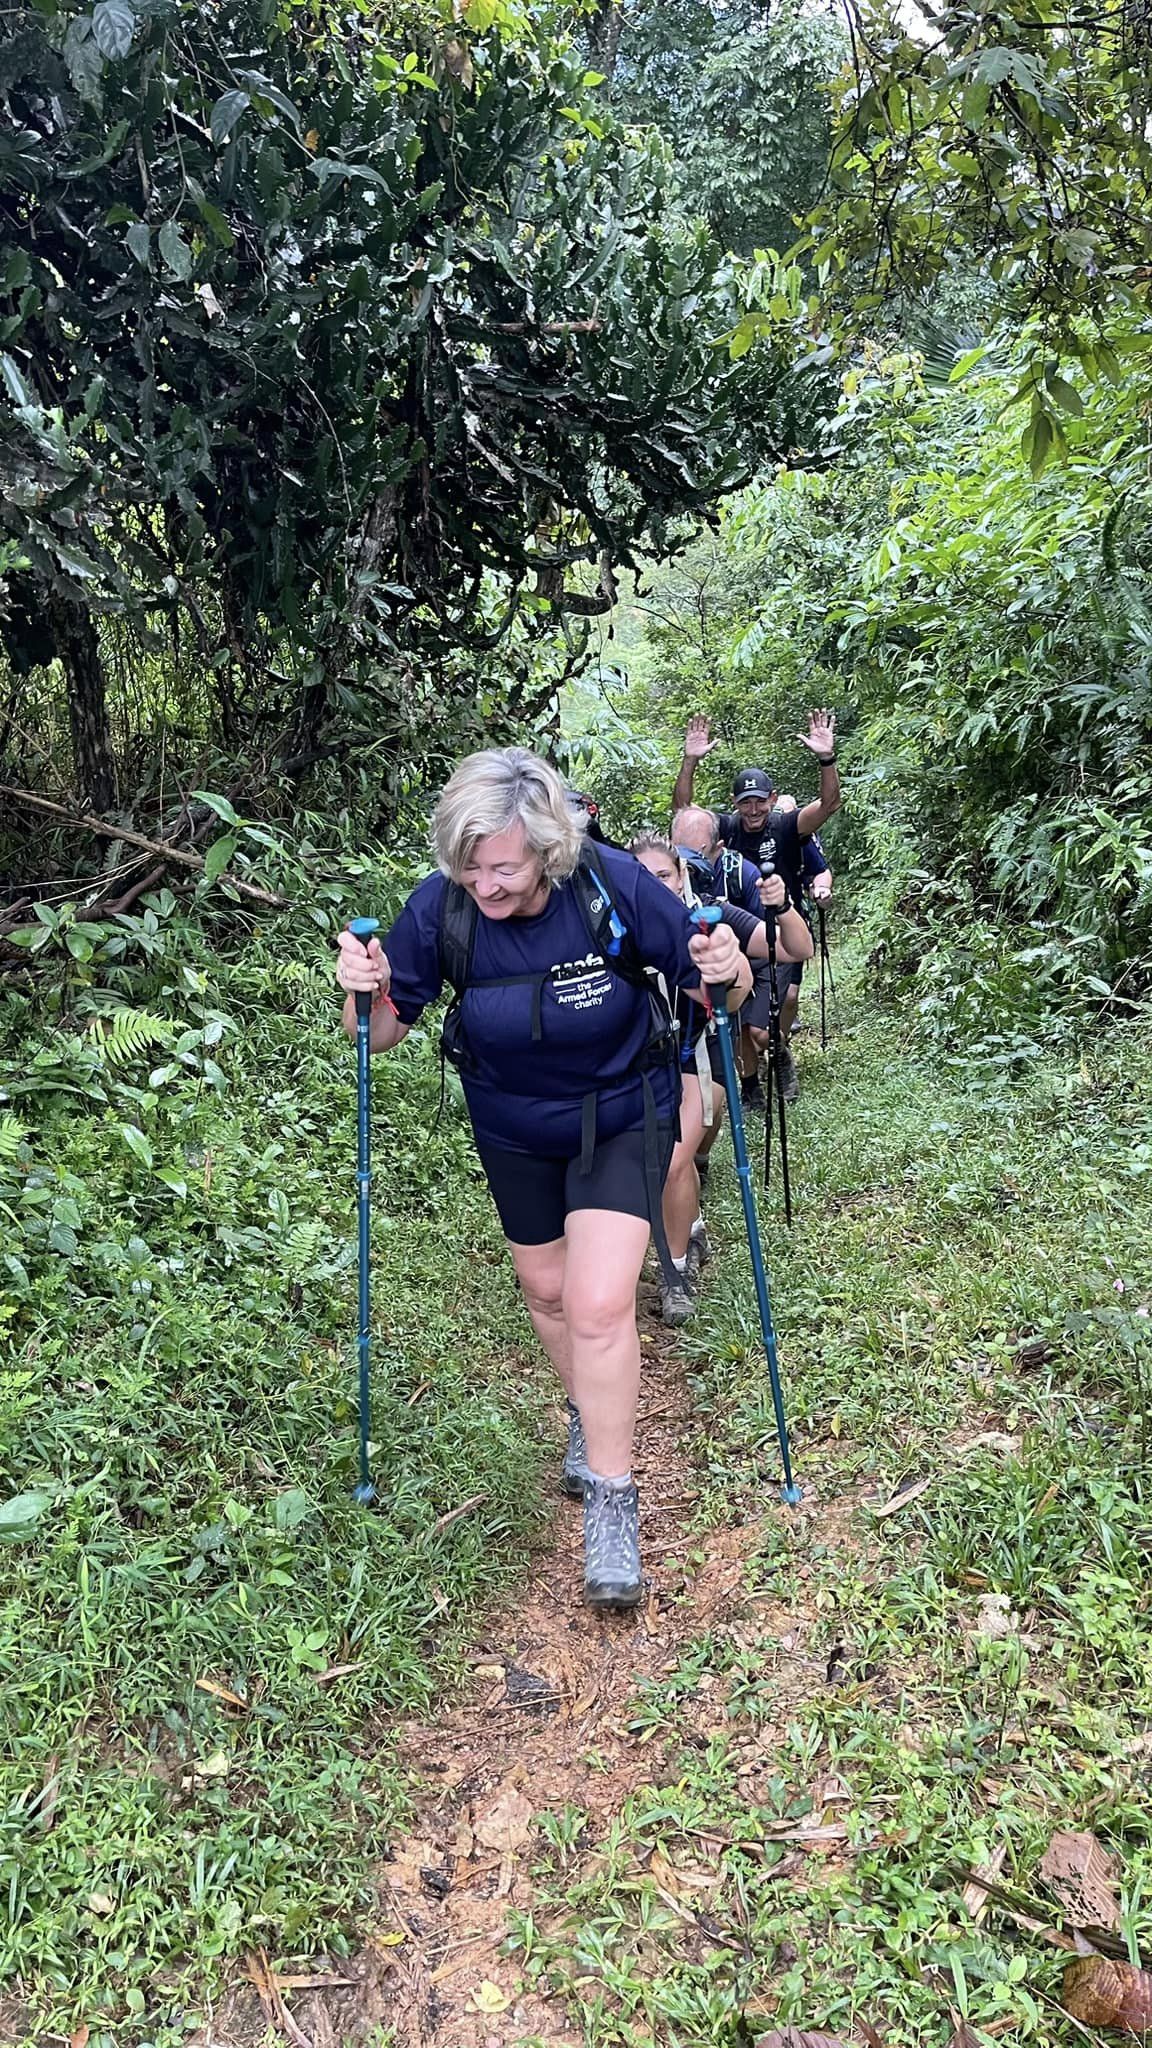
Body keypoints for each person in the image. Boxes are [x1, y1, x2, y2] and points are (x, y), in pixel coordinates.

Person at [335, 747, 748, 1614]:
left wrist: (727, 970)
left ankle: (613, 1500)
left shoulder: (611, 886)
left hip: (622, 1111)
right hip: (512, 1126)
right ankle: (585, 1408)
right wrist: (360, 991)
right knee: (548, 1293)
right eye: (470, 865)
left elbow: (721, 987)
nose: (485, 884)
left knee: (599, 1304)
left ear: (549, 846)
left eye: (504, 867)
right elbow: (377, 1036)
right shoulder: (441, 906)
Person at [631, 832, 812, 1323]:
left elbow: (796, 947)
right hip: (641, 1064)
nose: (653, 887)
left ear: (682, 875)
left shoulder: (711, 916)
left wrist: (783, 903)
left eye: (663, 876)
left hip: (699, 1059)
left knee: (672, 1161)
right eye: (641, 878)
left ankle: (675, 1273)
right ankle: (690, 1231)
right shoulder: (615, 926)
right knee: (673, 1164)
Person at [672, 712, 841, 1102]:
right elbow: (685, 814)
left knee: (776, 1016)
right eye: (745, 803)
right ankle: (751, 1082)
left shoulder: (785, 826)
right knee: (744, 1025)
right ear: (735, 803)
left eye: (759, 802)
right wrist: (690, 761)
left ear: (770, 799)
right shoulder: (726, 829)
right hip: (738, 934)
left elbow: (828, 805)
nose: (753, 810)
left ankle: (778, 1051)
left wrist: (827, 760)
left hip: (781, 931)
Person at [672, 803, 773, 1111]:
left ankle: (764, 1067)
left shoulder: (742, 873)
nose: (688, 865)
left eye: (697, 855)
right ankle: (749, 1086)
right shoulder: (656, 896)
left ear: (717, 847)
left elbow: (767, 937)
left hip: (748, 959)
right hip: (707, 977)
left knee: (754, 1029)